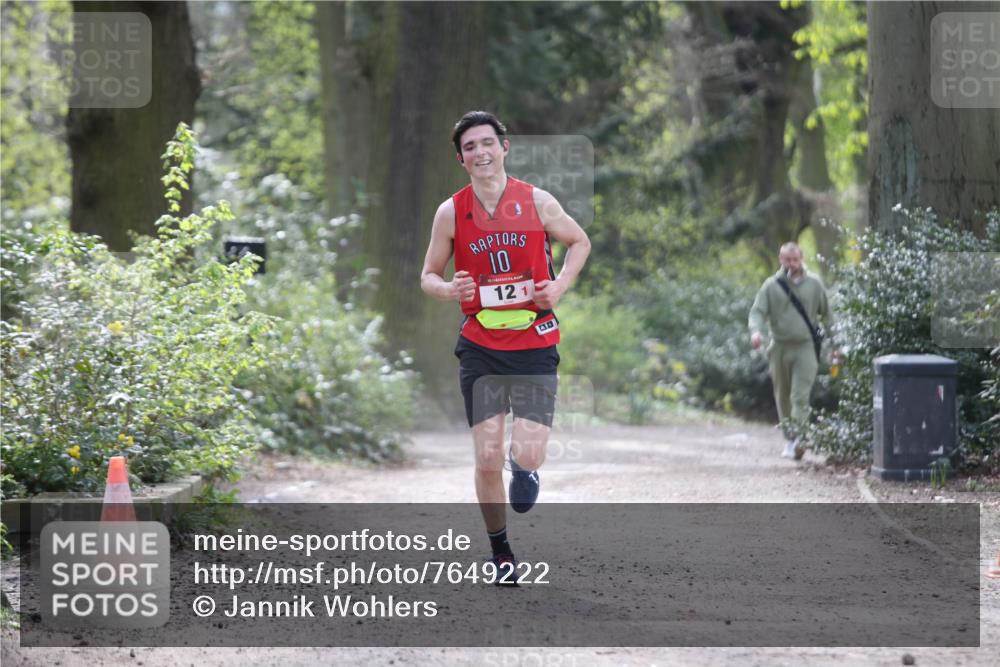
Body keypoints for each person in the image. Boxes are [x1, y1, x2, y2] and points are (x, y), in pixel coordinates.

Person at [420, 111, 591, 583]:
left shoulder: (536, 201)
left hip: (535, 342)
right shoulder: (451, 212)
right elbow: (427, 276)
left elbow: (579, 242)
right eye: (470, 147)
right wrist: (448, 289)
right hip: (480, 347)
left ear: (504, 148)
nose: (480, 152)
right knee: (486, 455)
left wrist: (558, 287)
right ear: (461, 159)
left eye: (487, 143)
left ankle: (527, 468)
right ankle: (500, 553)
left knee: (527, 455)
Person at [748, 242, 838, 460]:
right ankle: (790, 437)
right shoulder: (771, 286)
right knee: (783, 395)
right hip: (779, 347)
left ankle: (799, 438)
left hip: (805, 346)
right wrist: (756, 332)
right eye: (787, 260)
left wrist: (837, 345)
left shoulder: (815, 284)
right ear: (781, 260)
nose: (792, 264)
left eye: (795, 259)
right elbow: (757, 312)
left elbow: (828, 315)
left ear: (802, 258)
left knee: (799, 395)